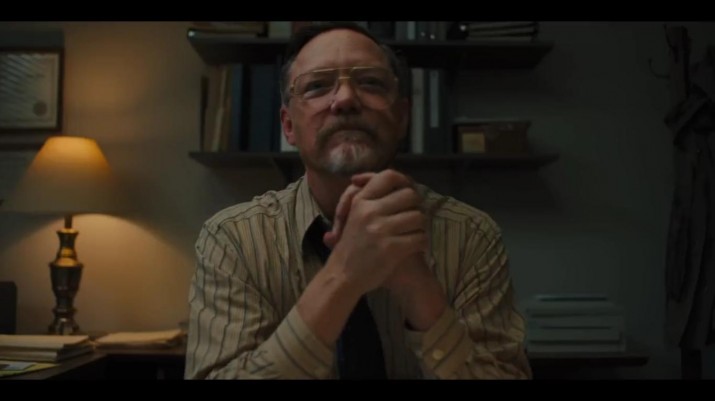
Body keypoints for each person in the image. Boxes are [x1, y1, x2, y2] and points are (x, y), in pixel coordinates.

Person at [185, 21, 532, 380]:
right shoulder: (233, 240)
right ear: (288, 126)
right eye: (317, 86)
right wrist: (344, 275)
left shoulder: (472, 235)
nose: (346, 100)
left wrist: (418, 288)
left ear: (401, 117)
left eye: (370, 82)